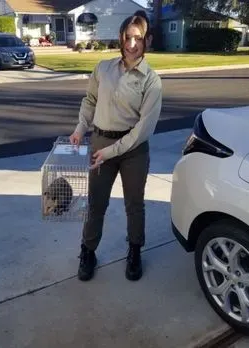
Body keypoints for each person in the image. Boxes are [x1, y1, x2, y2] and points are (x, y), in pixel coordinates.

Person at [70, 12, 162, 282]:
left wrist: (110, 152)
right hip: (100, 141)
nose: (132, 44)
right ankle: (88, 251)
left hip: (133, 150)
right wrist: (80, 128)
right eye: (128, 37)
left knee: (134, 205)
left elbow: (143, 129)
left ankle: (134, 251)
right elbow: (90, 100)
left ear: (148, 40)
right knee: (96, 204)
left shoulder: (151, 80)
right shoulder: (103, 68)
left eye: (139, 38)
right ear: (121, 37)